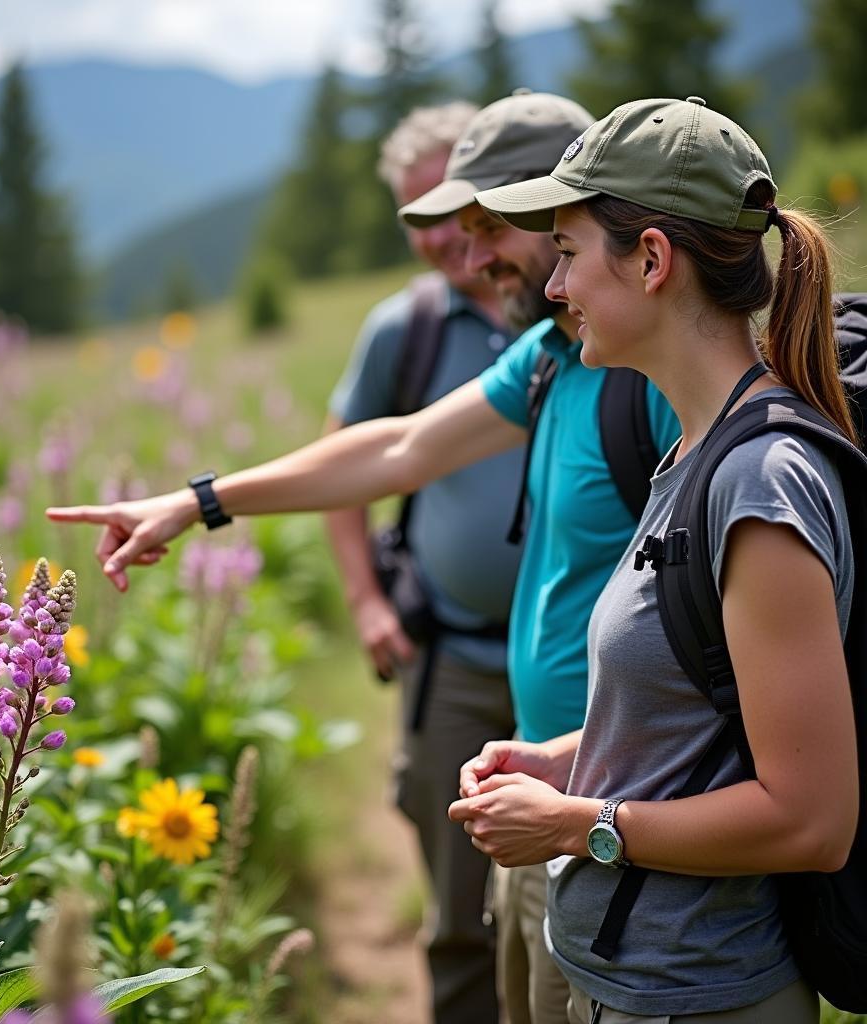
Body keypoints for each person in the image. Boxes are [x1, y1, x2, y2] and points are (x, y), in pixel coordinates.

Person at [47, 91, 680, 1024]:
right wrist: (197, 501)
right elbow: (399, 447)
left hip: (607, 807)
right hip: (549, 788)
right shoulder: (552, 354)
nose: (474, 256)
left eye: (487, 226)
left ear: (558, 210)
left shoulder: (650, 376)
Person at [449, 96, 858, 1023]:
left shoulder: (760, 482)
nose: (553, 287)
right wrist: (561, 760)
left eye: (566, 251)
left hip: (703, 998)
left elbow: (812, 818)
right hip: (640, 988)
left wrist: (579, 825)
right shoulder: (694, 450)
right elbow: (704, 731)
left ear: (652, 260)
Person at [324, 102, 519, 1024]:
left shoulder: (584, 300)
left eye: (457, 204)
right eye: (418, 218)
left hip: (591, 669)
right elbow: (349, 470)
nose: (443, 237)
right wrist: (367, 602)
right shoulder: (405, 331)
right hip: (458, 662)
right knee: (461, 911)